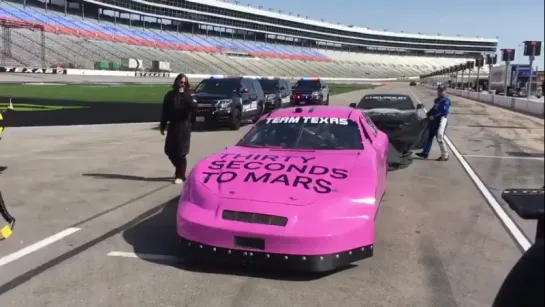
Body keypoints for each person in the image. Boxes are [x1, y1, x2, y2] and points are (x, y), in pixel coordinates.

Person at [160, 74, 197, 184]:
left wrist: (184, 95)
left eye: (185, 83)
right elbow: (165, 112)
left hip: (184, 126)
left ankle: (180, 175)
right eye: (181, 82)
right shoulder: (170, 95)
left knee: (181, 153)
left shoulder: (188, 96)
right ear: (177, 82)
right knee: (169, 151)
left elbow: (194, 108)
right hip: (173, 125)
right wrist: (163, 126)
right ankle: (180, 170)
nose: (182, 84)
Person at [416, 84, 451, 161]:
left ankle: (445, 155)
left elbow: (443, 111)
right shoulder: (437, 100)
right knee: (430, 136)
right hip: (434, 120)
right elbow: (434, 108)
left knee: (439, 136)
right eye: (439, 91)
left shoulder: (446, 100)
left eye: (441, 91)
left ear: (444, 91)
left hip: (442, 119)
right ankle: (425, 152)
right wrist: (429, 113)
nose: (439, 92)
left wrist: (434, 116)